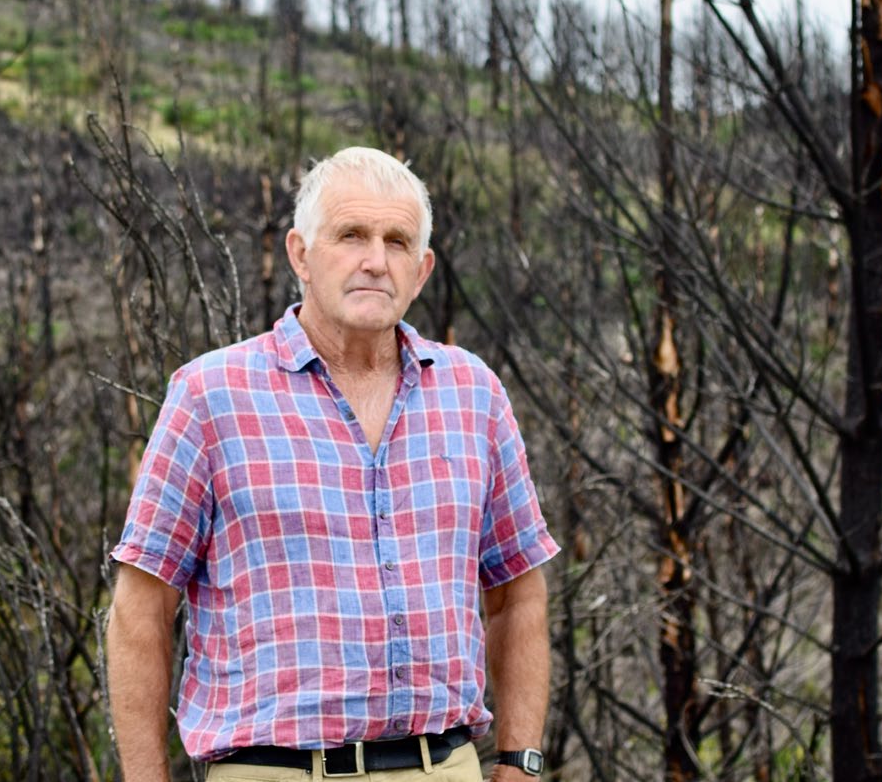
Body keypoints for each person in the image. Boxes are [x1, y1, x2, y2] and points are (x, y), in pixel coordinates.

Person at [108, 146, 560, 782]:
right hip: (273, 770)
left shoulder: (473, 394)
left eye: (398, 242)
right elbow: (141, 608)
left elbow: (517, 591)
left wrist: (519, 760)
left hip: (444, 766)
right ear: (300, 253)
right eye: (351, 235)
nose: (376, 260)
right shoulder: (212, 396)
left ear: (423, 268)